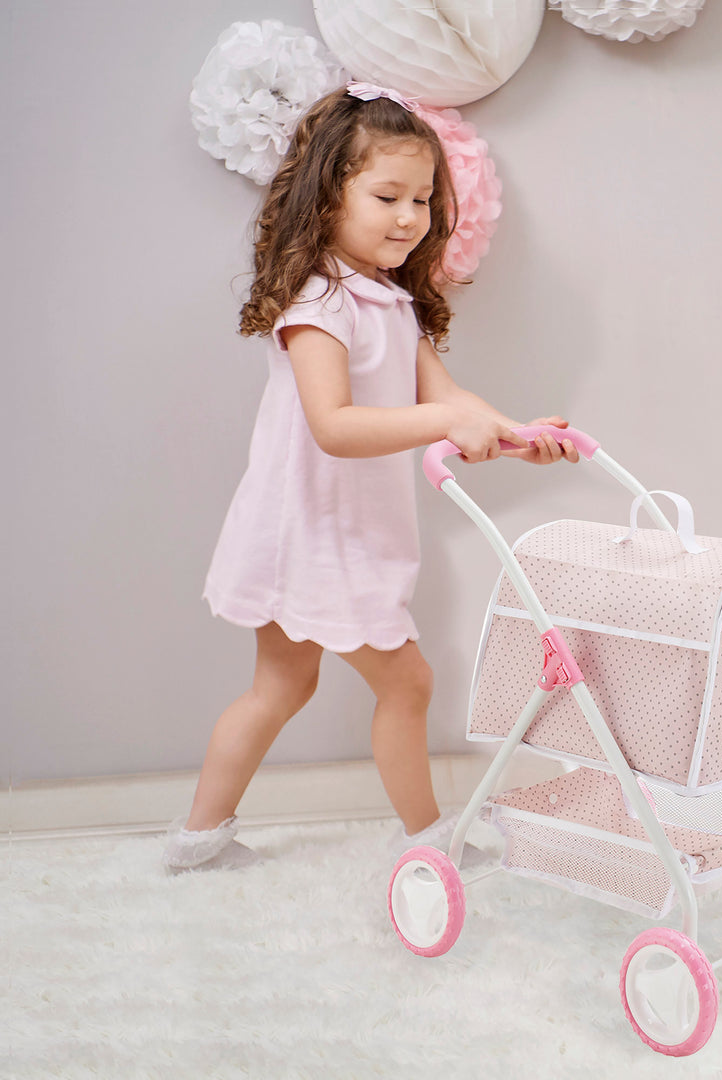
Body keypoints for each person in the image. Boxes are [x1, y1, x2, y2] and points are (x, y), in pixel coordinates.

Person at [163, 83, 578, 873]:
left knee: (281, 691)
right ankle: (426, 839)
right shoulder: (319, 301)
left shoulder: (389, 301)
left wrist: (517, 436)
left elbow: (446, 400)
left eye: (421, 199)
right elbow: (336, 425)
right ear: (327, 198)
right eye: (387, 195)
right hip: (311, 531)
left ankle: (197, 841)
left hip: (341, 531)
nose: (408, 216)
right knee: (407, 681)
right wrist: (445, 424)